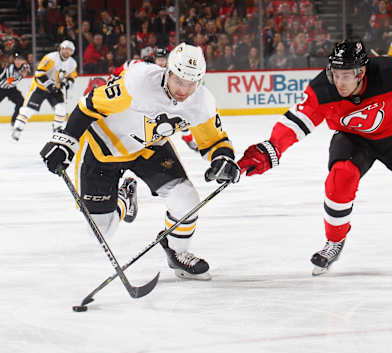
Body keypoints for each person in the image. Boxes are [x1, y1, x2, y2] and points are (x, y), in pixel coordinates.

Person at [238, 39, 392, 275]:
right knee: (340, 178)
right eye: (336, 74)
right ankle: (335, 240)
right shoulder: (322, 88)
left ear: (361, 72)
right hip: (354, 139)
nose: (340, 82)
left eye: (346, 76)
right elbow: (296, 122)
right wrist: (271, 148)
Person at [39, 43, 240, 280]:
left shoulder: (201, 101)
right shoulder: (138, 83)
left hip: (149, 148)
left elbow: (214, 141)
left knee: (186, 199)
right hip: (104, 148)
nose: (183, 90)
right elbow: (89, 104)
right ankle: (124, 198)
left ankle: (177, 253)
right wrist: (66, 141)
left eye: (191, 83)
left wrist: (223, 159)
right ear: (168, 72)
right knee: (99, 231)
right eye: (178, 81)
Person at [11, 40, 77, 141]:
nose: (67, 52)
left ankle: (57, 129)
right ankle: (18, 128)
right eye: (65, 49)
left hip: (55, 89)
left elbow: (72, 76)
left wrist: (68, 83)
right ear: (61, 48)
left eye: (70, 50)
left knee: (61, 109)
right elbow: (39, 73)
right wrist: (49, 85)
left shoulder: (72, 63)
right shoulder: (51, 57)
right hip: (40, 87)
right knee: (28, 110)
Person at [0, 52, 29, 127]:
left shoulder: (24, 66)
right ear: (14, 60)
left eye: (20, 60)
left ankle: (14, 120)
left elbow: (28, 68)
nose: (18, 62)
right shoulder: (10, 68)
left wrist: (26, 69)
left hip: (11, 89)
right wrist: (21, 76)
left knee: (21, 102)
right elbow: (10, 82)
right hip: (1, 88)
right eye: (16, 60)